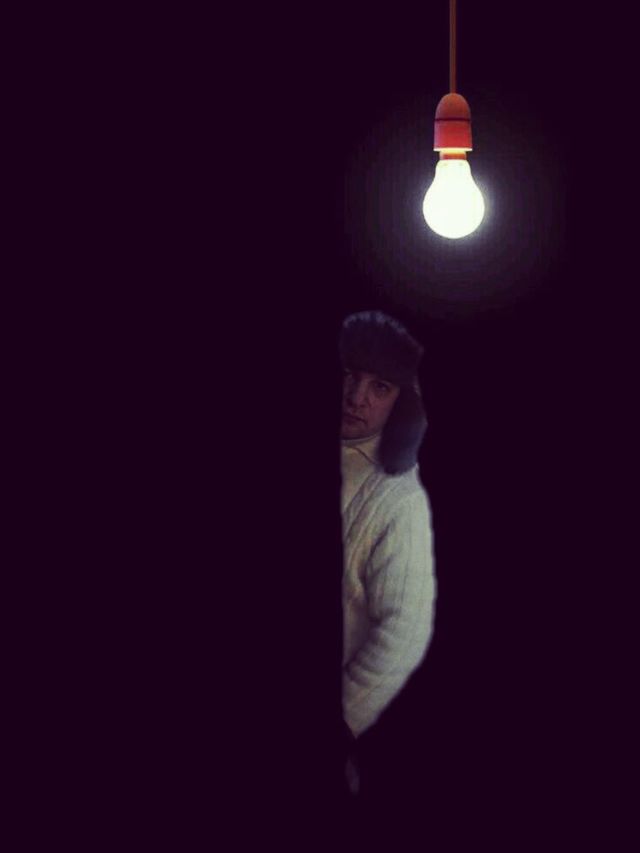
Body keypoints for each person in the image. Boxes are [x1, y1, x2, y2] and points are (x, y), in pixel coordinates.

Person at [339, 311, 436, 778]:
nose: (356, 397)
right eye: (349, 375)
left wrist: (341, 719)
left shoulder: (397, 501)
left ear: (400, 401)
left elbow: (405, 630)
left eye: (380, 387)